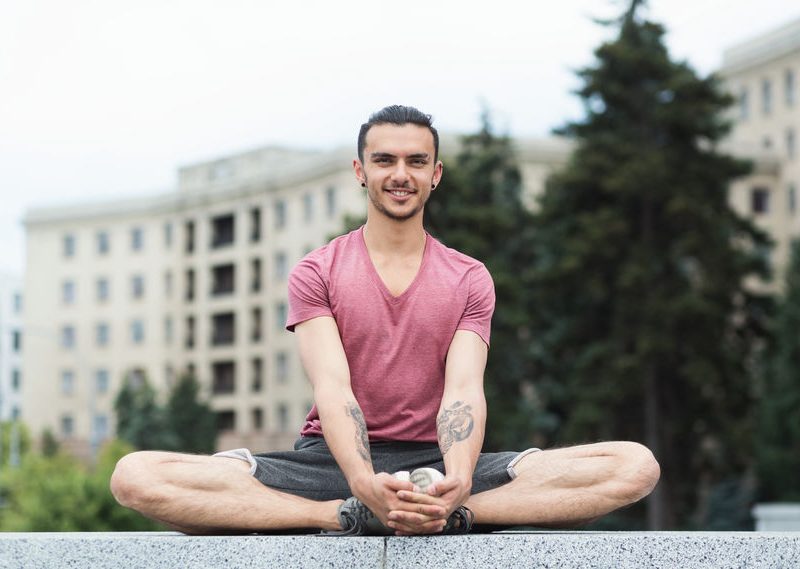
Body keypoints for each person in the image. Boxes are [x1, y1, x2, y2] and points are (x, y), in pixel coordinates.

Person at [110, 105, 660, 535]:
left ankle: (455, 519)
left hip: (437, 463)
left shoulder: (469, 277)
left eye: (416, 161)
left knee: (634, 466)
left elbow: (464, 390)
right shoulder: (317, 271)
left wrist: (461, 482)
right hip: (330, 469)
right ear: (361, 170)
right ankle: (335, 519)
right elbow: (333, 387)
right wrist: (361, 486)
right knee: (135, 476)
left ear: (435, 174)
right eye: (385, 160)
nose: (401, 174)